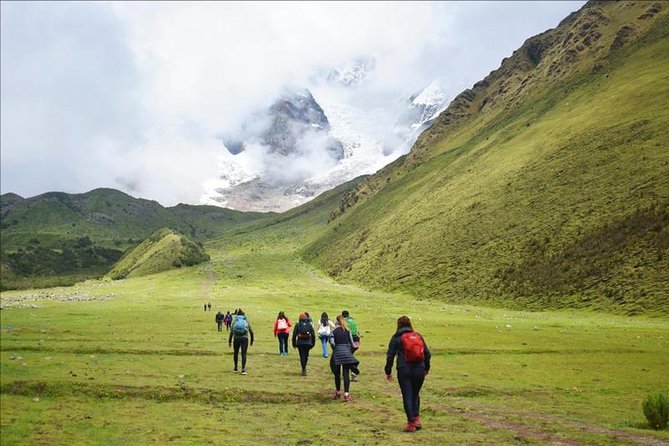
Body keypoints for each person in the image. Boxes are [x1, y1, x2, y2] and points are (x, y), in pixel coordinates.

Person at [384, 315, 431, 433]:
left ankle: (411, 422)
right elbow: (427, 353)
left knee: (407, 394)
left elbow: (390, 356)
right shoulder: (418, 336)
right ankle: (417, 419)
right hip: (419, 368)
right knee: (416, 394)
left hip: (404, 368)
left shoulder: (396, 338)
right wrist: (426, 367)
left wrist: (388, 371)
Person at [329, 314, 360, 402]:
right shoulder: (348, 331)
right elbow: (353, 344)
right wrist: (350, 351)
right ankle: (346, 394)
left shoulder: (333, 332)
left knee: (337, 374)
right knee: (346, 373)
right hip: (347, 353)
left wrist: (335, 349)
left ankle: (338, 392)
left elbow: (332, 343)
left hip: (337, 353)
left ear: (336, 322)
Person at [228, 309, 254, 375]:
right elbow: (251, 331)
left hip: (236, 338)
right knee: (244, 354)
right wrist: (251, 340)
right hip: (244, 338)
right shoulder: (245, 321)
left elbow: (231, 331)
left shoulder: (235, 321)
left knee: (235, 353)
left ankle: (235, 368)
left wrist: (230, 341)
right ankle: (243, 369)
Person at [342, 310, 361, 380]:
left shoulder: (343, 321)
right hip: (357, 341)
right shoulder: (353, 320)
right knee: (349, 356)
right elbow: (357, 331)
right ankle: (351, 372)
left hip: (349, 341)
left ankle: (352, 372)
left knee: (346, 358)